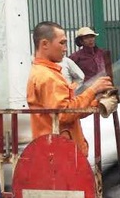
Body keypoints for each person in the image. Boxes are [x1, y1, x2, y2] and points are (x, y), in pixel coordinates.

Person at [26, 21, 113, 159]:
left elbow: (70, 110)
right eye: (62, 43)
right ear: (44, 44)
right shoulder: (47, 77)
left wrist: (96, 103)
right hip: (60, 155)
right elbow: (65, 114)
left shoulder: (48, 72)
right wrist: (92, 90)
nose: (65, 49)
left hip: (60, 151)